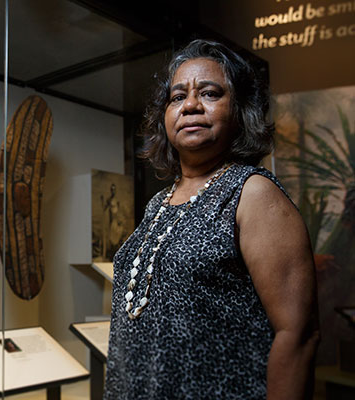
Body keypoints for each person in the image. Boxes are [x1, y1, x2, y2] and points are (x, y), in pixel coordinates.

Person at [103, 39, 319, 399]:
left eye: (210, 93)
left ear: (240, 110)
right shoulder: (159, 202)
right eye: (177, 97)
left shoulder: (252, 194)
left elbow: (298, 334)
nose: (190, 105)